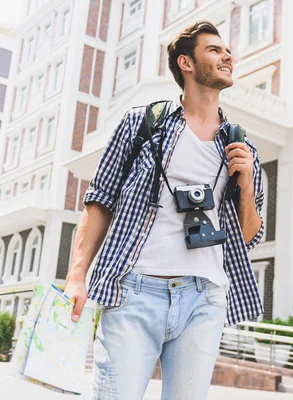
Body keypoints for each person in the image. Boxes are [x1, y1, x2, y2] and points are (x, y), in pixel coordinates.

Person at [64, 21, 265, 400]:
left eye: (227, 50)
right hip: (135, 292)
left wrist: (247, 184)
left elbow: (250, 235)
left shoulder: (240, 146)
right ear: (186, 63)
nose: (227, 55)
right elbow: (100, 199)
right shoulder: (141, 124)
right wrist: (77, 276)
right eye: (214, 50)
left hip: (204, 298)